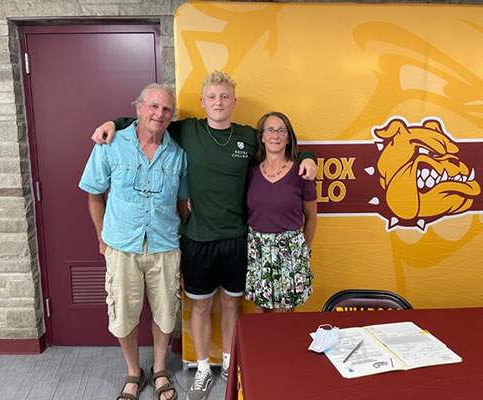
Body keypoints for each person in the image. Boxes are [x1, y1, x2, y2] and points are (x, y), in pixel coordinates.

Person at [91, 71, 317, 400]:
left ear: (234, 102)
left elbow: (282, 145)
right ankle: (201, 368)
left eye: (224, 97)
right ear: (202, 102)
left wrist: (309, 158)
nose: (218, 102)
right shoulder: (188, 130)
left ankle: (229, 362)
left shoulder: (248, 137)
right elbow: (149, 119)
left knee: (231, 305)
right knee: (199, 307)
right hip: (197, 239)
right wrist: (113, 121)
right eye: (212, 97)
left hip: (237, 238)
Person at [79, 84, 188, 400]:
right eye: (153, 107)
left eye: (166, 109)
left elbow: (182, 202)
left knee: (166, 312)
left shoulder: (178, 153)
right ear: (138, 109)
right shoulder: (110, 143)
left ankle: (159, 369)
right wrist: (102, 237)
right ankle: (133, 372)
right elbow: (94, 193)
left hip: (165, 245)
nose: (159, 114)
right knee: (123, 313)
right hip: (122, 246)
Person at [246, 112, 317, 313]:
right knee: (261, 313)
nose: (275, 135)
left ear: (288, 137)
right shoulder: (250, 171)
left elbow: (311, 217)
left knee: (284, 316)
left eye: (281, 130)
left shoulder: (303, 172)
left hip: (291, 251)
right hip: (258, 250)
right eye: (269, 130)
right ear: (261, 136)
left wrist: (305, 250)